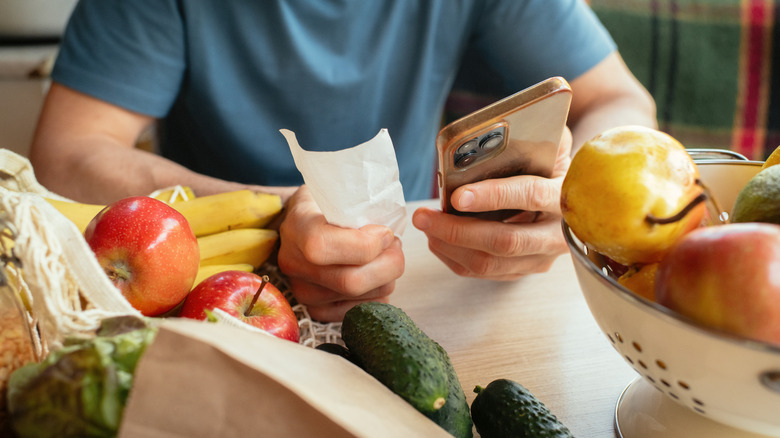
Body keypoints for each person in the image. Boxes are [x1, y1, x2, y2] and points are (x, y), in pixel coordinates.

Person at [29, 0, 656, 322]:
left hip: (423, 285)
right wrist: (285, 214)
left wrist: (571, 194)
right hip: (206, 295)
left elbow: (619, 101)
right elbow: (67, 155)